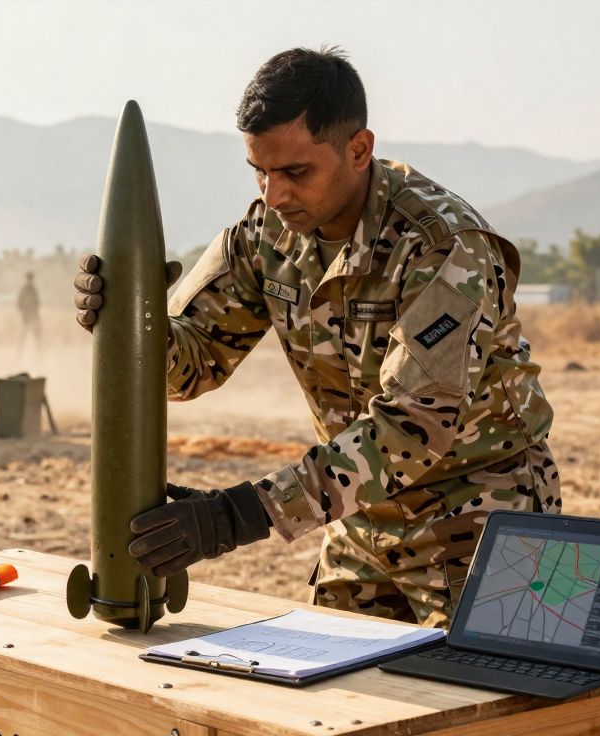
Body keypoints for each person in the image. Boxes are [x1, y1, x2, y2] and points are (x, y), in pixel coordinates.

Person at [73, 47, 559, 627]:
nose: (273, 194)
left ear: (359, 149)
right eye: (260, 171)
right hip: (359, 529)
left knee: (499, 685)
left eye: (295, 172)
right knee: (336, 684)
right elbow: (190, 368)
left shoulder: (443, 246)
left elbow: (414, 427)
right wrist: (130, 325)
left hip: (479, 523)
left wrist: (239, 514)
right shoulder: (266, 234)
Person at [17, 271, 42, 352]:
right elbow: (19, 303)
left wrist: (35, 313)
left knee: (36, 334)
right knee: (24, 334)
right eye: (29, 278)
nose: (30, 280)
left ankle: (39, 351)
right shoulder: (25, 290)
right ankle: (19, 351)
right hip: (27, 315)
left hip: (33, 315)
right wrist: (24, 312)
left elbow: (37, 303)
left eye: (31, 278)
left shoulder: (33, 290)